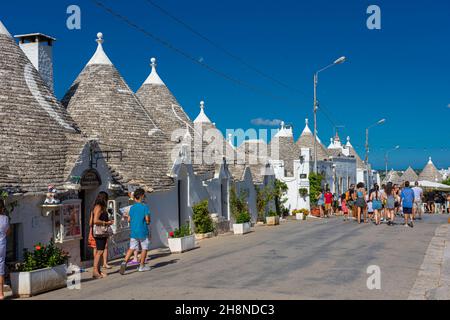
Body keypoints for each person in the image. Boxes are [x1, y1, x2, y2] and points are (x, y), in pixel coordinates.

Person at [120, 188, 151, 274]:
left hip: (134, 231)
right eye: (144, 195)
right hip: (143, 230)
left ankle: (124, 262)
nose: (144, 197)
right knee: (144, 247)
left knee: (132, 247)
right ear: (141, 196)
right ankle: (141, 266)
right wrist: (148, 220)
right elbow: (147, 220)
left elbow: (129, 220)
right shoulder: (144, 207)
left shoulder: (132, 208)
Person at [90, 192, 114, 279]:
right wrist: (106, 222)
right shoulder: (99, 207)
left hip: (100, 232)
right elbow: (95, 220)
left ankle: (98, 271)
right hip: (99, 233)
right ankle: (95, 271)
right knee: (99, 252)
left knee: (100, 251)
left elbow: (91, 221)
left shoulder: (96, 207)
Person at [0, 200, 10, 300]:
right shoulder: (5, 218)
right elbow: (8, 232)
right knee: (0, 270)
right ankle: (1, 294)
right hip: (1, 246)